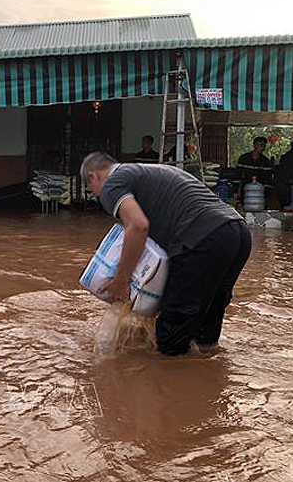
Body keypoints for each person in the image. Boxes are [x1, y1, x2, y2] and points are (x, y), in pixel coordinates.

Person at [81, 152, 252, 356]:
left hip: (203, 239)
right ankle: (210, 377)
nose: (98, 197)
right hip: (238, 233)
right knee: (206, 325)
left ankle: (170, 379)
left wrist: (121, 280)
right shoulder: (148, 172)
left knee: (172, 333)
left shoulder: (112, 184)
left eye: (93, 191)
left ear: (93, 176)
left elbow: (137, 226)